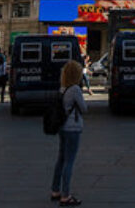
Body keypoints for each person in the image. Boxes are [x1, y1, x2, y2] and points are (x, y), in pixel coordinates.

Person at [50, 60, 86, 206]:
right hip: (73, 128)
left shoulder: (63, 88)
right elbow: (84, 108)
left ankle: (55, 190)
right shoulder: (75, 90)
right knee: (69, 161)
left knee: (61, 159)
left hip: (62, 127)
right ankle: (66, 195)